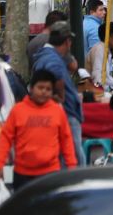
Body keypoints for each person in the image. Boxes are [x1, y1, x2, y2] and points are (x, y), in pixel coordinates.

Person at [0, 73, 76, 190]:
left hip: (50, 173)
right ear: (31, 89)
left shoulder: (57, 112)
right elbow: (5, 138)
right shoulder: (18, 110)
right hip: (22, 174)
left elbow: (66, 140)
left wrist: (71, 166)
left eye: (48, 89)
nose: (44, 92)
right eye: (40, 87)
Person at [30, 26, 84, 163]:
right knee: (75, 156)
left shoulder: (45, 55)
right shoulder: (53, 59)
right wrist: (60, 98)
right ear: (67, 42)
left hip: (63, 113)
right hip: (67, 113)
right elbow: (56, 75)